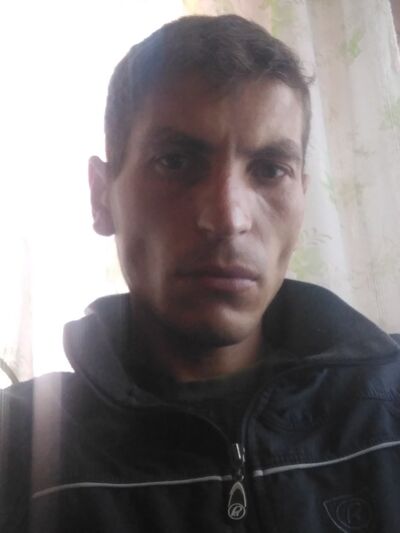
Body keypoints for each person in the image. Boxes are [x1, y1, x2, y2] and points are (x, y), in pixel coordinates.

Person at [1, 14, 400, 533]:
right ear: (101, 196)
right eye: (175, 161)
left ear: (302, 194)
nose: (229, 218)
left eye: (270, 170)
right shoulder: (17, 448)